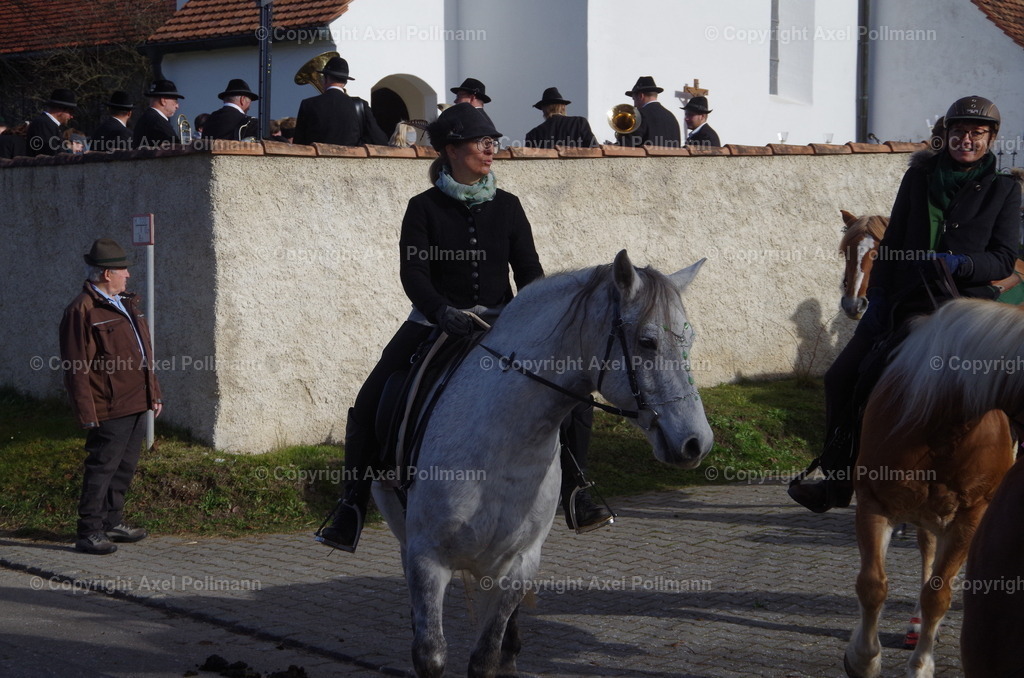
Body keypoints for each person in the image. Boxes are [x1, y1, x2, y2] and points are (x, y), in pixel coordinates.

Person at [316, 103, 611, 552]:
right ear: (452, 150)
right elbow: (413, 274)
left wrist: (536, 321)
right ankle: (351, 505)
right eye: (482, 143)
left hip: (503, 323)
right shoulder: (423, 208)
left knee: (572, 391)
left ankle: (577, 488)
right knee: (372, 397)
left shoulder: (509, 206)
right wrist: (441, 312)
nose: (491, 150)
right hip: (436, 321)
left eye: (493, 142)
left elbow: (529, 272)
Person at [789, 95, 1020, 513]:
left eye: (977, 133)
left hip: (965, 310)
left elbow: (1003, 258)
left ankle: (1006, 486)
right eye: (959, 132)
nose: (967, 140)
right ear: (946, 135)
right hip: (905, 304)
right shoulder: (918, 178)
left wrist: (963, 263)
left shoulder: (1004, 189)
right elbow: (892, 243)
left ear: (991, 139)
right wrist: (878, 298)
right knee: (841, 377)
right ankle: (837, 478)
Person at [59, 238, 163, 555]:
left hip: (136, 401)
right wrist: (87, 413)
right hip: (109, 406)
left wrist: (154, 393)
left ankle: (111, 522)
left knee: (124, 467)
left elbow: (143, 353)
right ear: (107, 274)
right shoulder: (82, 310)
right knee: (102, 467)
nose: (128, 274)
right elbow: (76, 367)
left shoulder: (125, 304)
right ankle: (89, 531)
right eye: (123, 269)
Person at [292, 56, 388, 146]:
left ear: (325, 78)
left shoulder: (307, 104)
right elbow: (380, 140)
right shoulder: (360, 105)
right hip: (351, 158)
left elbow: (298, 144)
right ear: (345, 82)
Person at [524, 86, 598, 149]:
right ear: (563, 107)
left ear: (544, 110)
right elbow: (595, 149)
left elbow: (529, 159)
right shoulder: (579, 123)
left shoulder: (533, 134)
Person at [616, 76, 681, 148]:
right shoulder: (671, 116)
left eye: (634, 99)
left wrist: (622, 130)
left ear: (641, 96)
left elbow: (626, 145)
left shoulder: (640, 115)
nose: (634, 105)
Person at [133, 79, 185, 149]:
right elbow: (176, 148)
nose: (177, 106)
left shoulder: (144, 118)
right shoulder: (159, 122)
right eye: (175, 101)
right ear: (163, 101)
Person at [27, 88, 77, 156]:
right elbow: (50, 153)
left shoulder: (49, 124)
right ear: (60, 109)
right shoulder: (44, 123)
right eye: (70, 112)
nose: (71, 116)